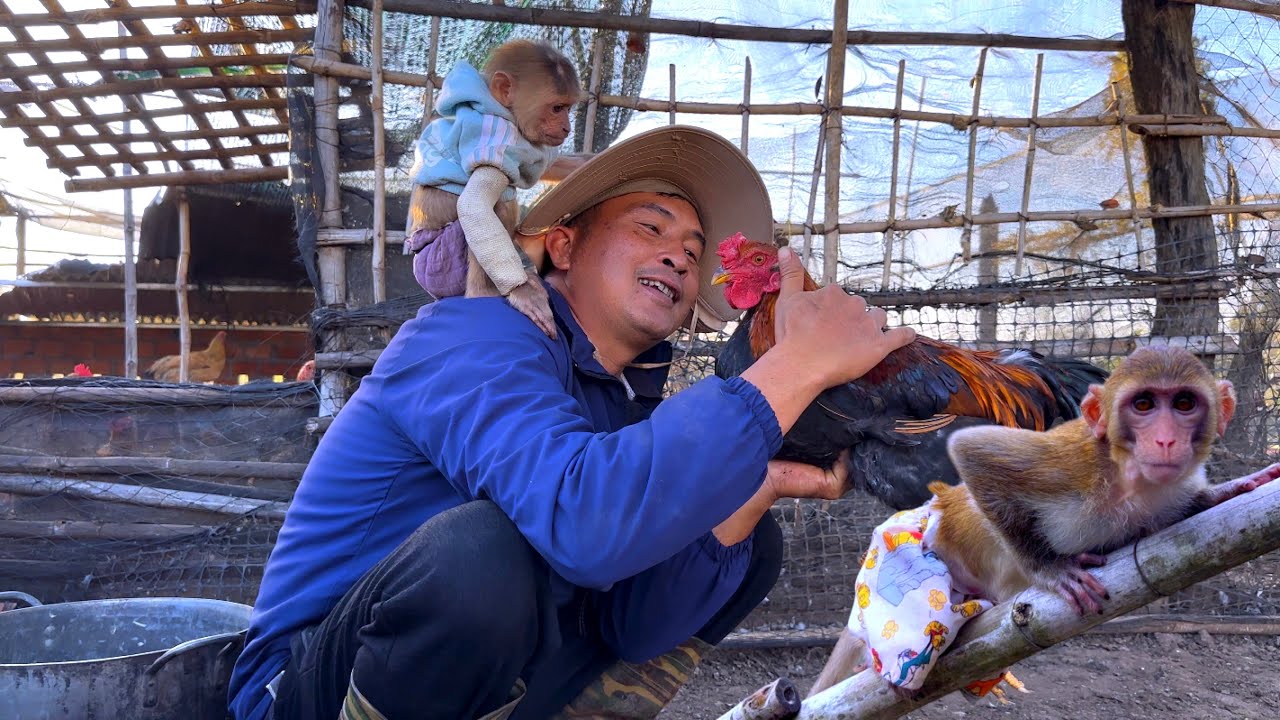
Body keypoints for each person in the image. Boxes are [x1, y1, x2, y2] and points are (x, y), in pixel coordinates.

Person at [227, 125, 916, 720]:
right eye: (650, 227)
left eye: (692, 245)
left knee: (743, 538)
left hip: (484, 682)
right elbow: (583, 520)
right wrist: (799, 364)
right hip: (310, 687)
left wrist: (755, 487)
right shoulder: (469, 338)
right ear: (562, 245)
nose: (680, 254)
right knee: (481, 556)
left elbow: (636, 628)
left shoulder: (620, 403)